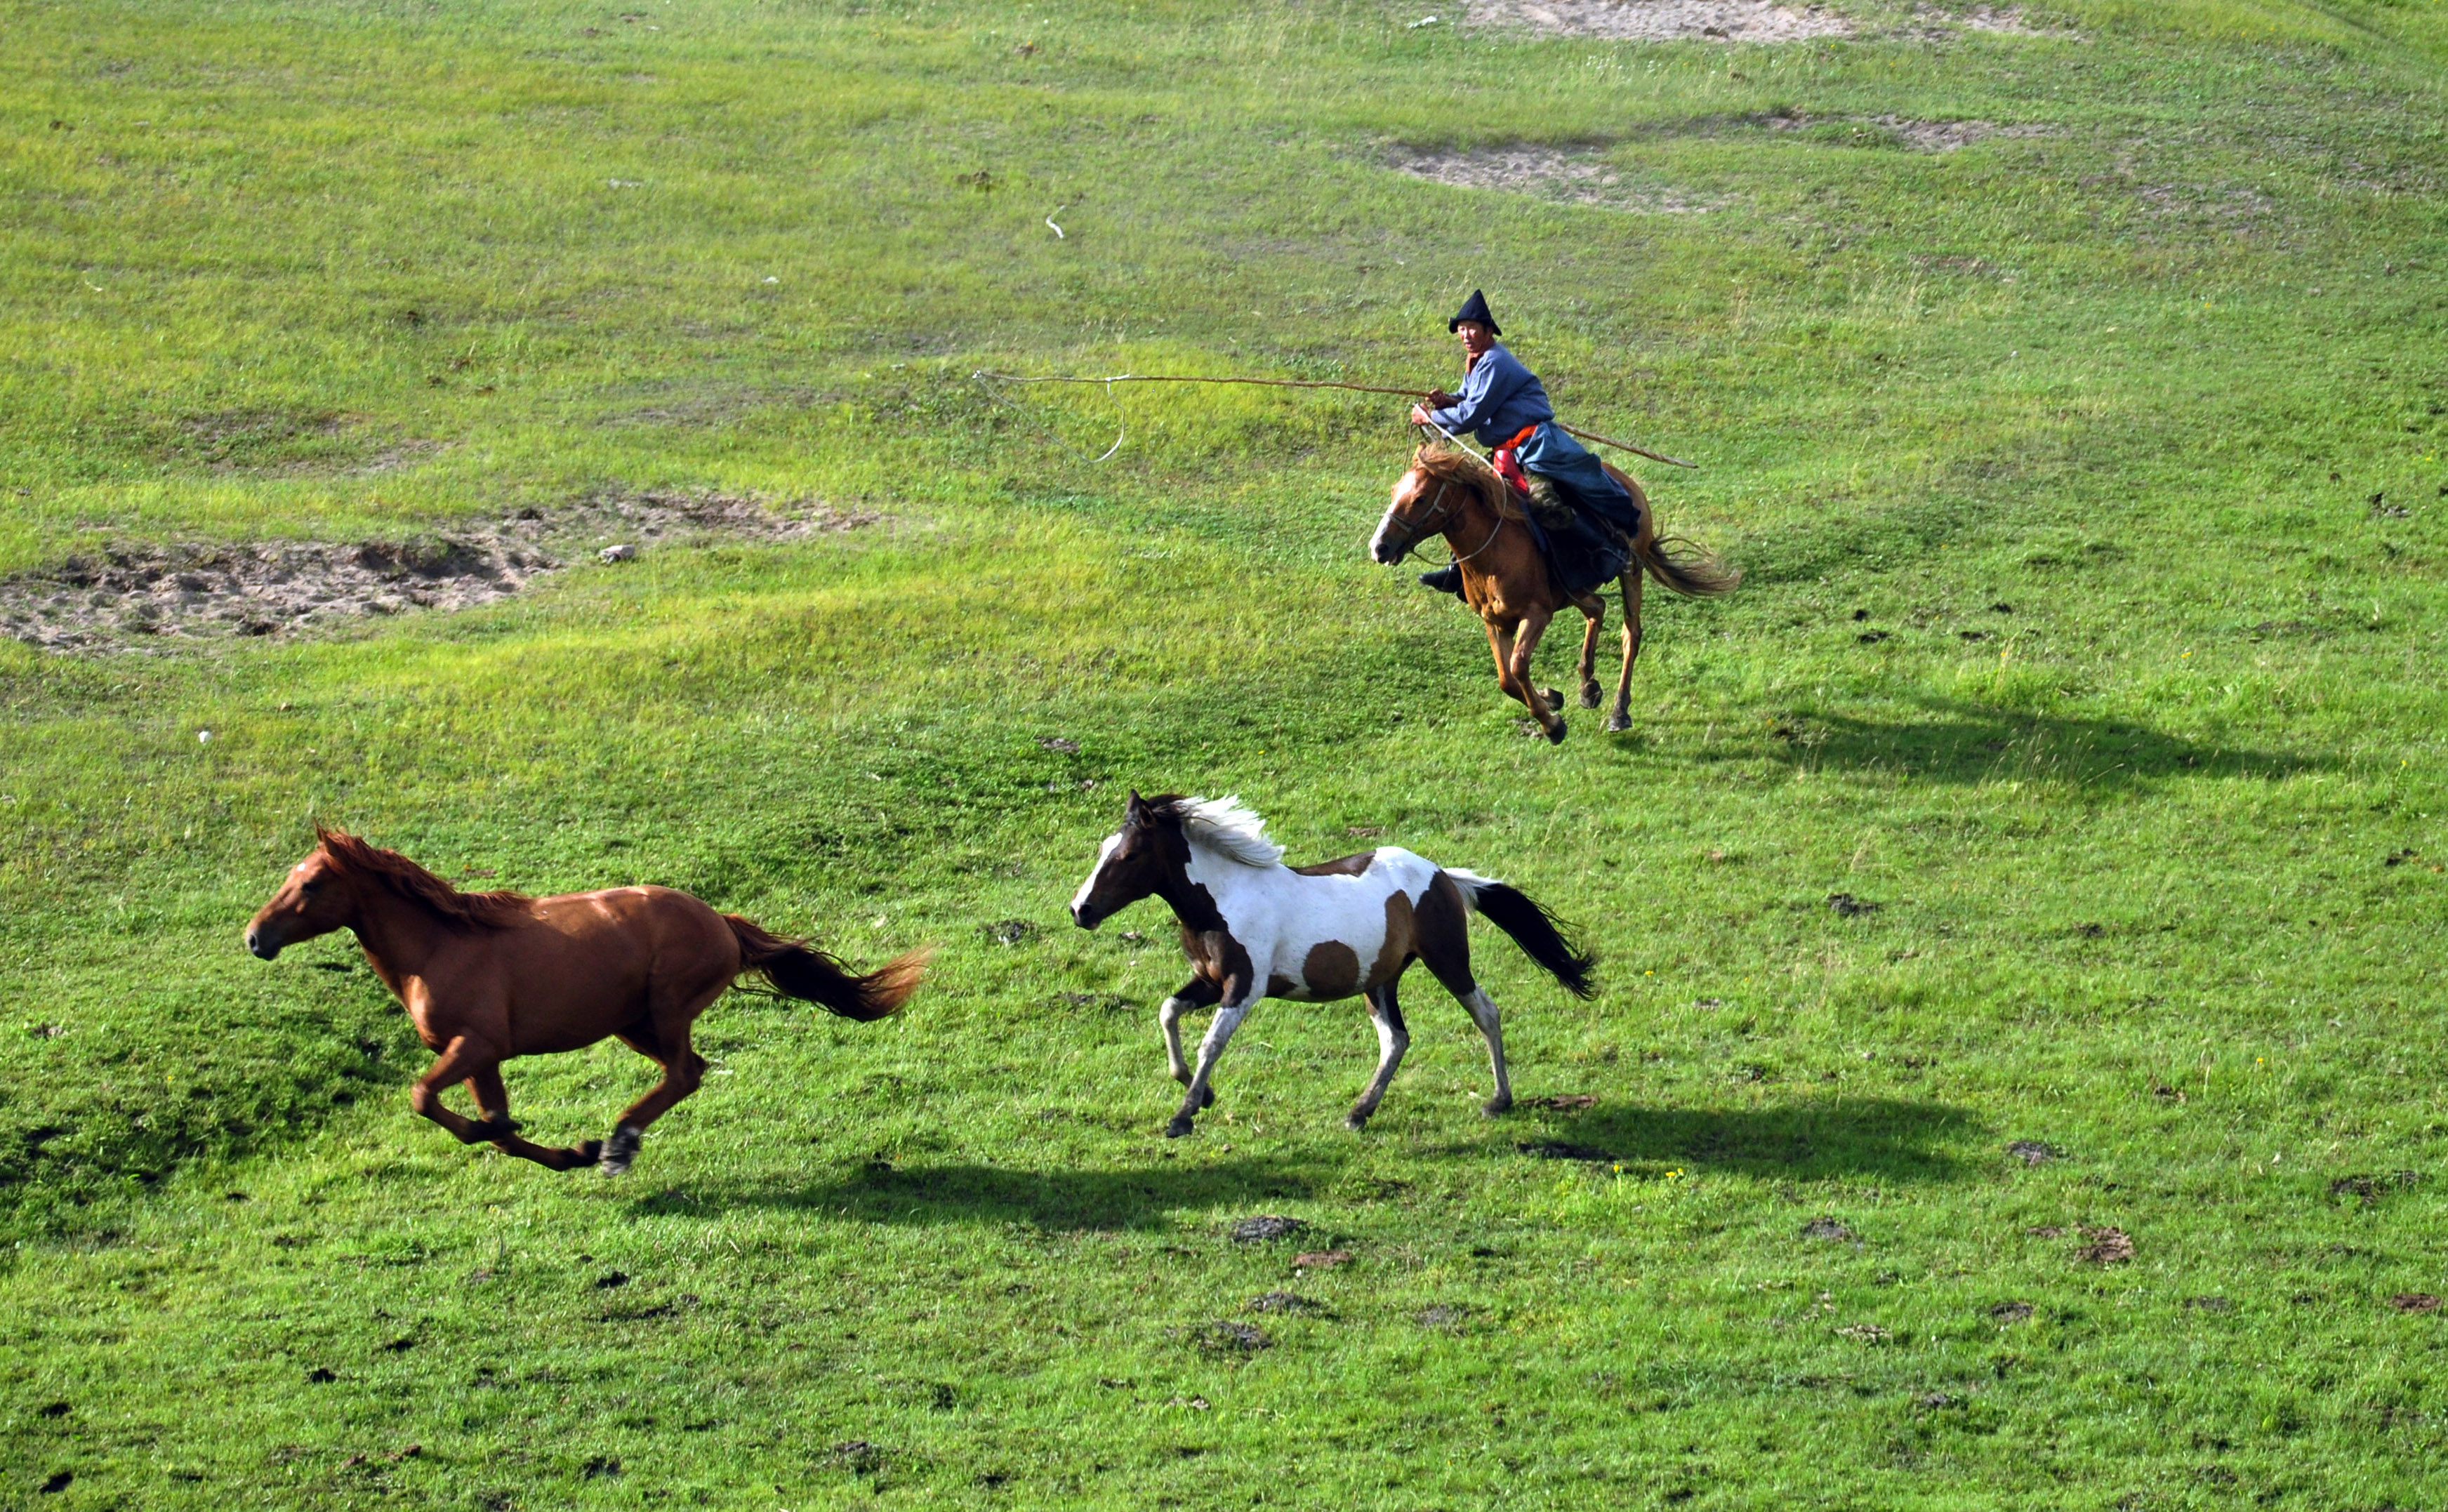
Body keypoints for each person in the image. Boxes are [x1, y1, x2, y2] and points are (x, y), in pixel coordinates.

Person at [1410, 291, 1636, 595]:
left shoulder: (1495, 361)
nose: (1466, 334)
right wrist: (1445, 401)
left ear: (1489, 331)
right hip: (1506, 452)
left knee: (1545, 503)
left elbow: (1473, 414)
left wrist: (1431, 418)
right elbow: (1468, 398)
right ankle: (1457, 571)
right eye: (1462, 328)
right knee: (1475, 502)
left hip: (1533, 447)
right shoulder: (1476, 361)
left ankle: (1608, 552)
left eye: (1472, 328)